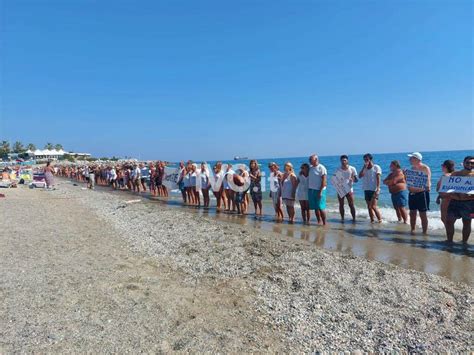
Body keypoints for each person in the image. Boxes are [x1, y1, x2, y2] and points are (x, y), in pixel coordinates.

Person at [445, 156, 474, 244]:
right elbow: (448, 188)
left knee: (467, 222)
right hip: (454, 202)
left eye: (472, 163)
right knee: (449, 221)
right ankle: (449, 241)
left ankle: (464, 242)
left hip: (469, 203)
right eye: (468, 162)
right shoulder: (455, 174)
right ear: (463, 163)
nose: (470, 164)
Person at [406, 152, 431, 234]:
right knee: (412, 213)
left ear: (417, 159)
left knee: (422, 214)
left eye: (411, 158)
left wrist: (427, 187)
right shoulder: (411, 169)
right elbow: (408, 180)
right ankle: (412, 230)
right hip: (411, 194)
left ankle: (425, 232)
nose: (409, 159)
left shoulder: (425, 168)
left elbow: (428, 182)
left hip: (422, 194)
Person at [359, 153, 382, 223]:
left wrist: (378, 189)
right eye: (364, 160)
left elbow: (378, 178)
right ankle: (372, 220)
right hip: (366, 189)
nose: (366, 161)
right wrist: (364, 167)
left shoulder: (376, 167)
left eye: (367, 159)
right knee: (369, 206)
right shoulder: (365, 168)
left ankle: (380, 220)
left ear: (371, 159)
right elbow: (360, 176)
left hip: (374, 189)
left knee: (373, 206)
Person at [334, 155, 358, 222]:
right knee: (341, 204)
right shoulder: (338, 169)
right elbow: (335, 179)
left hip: (349, 188)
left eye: (345, 160)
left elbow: (356, 180)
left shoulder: (352, 168)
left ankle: (354, 219)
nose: (343, 162)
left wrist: (353, 179)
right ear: (340, 161)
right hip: (341, 189)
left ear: (347, 161)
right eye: (342, 160)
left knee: (351, 204)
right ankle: (342, 218)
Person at [308, 154, 327, 225]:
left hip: (320, 190)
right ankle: (319, 221)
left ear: (316, 159)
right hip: (311, 190)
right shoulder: (310, 168)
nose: (309, 161)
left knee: (321, 207)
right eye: (309, 159)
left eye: (311, 159)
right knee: (315, 207)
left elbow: (324, 181)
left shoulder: (321, 168)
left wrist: (320, 191)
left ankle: (324, 223)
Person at [436, 160, 455, 225]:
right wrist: (438, 197)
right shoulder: (455, 175)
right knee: (451, 218)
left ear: (445, 166)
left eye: (442, 166)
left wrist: (439, 196)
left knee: (444, 218)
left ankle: (449, 233)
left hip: (446, 199)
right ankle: (450, 232)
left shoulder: (445, 176)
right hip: (453, 199)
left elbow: (440, 188)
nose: (441, 167)